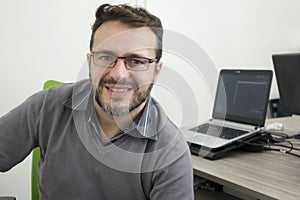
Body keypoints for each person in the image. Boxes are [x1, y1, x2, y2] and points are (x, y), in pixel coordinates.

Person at [0, 3, 194, 199]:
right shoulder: (47, 106)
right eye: (105, 57)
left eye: (136, 61)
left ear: (156, 71)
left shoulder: (171, 153)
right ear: (90, 61)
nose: (118, 74)